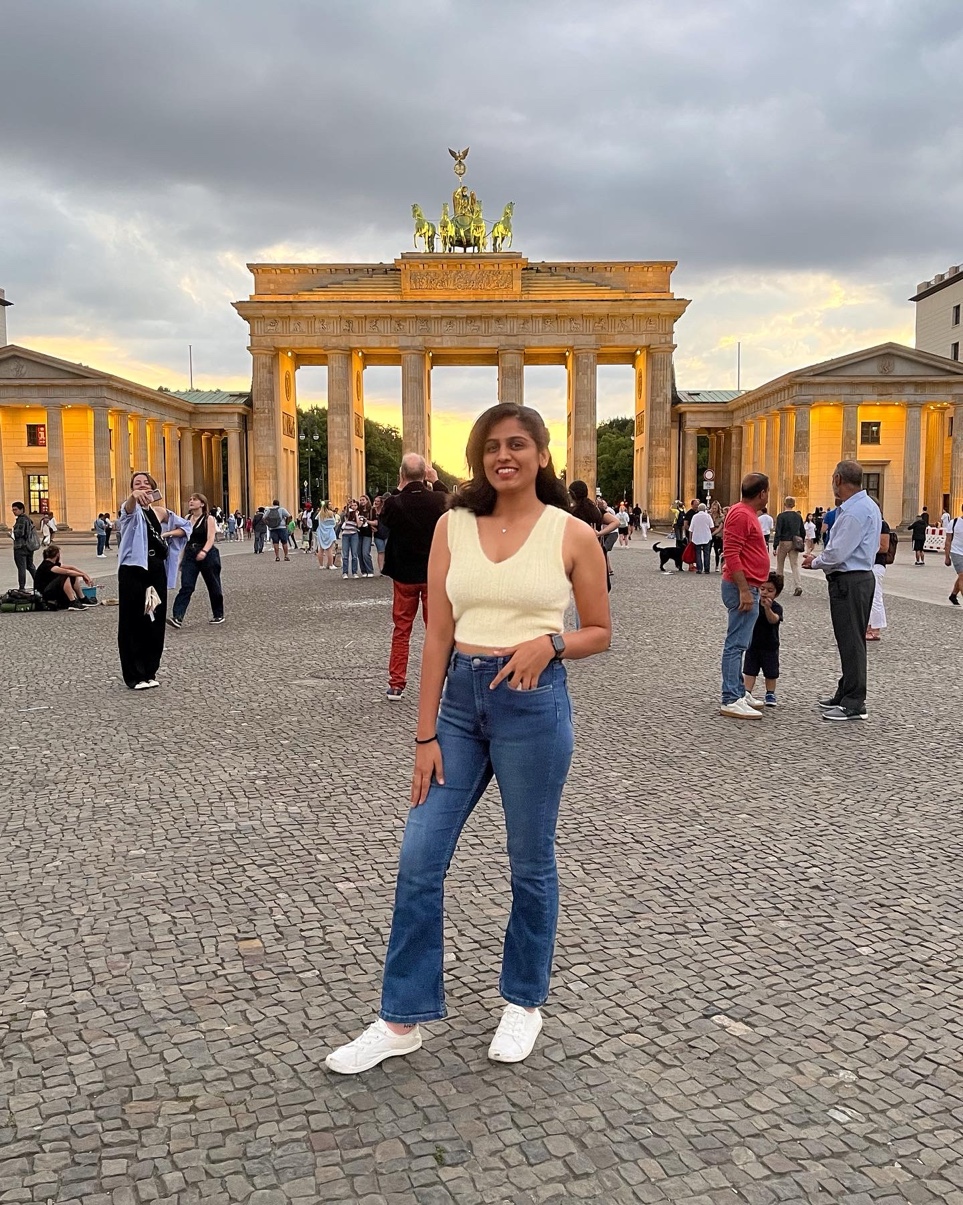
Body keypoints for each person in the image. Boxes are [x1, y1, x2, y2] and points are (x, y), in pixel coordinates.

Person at [325, 402, 611, 1076]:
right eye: (490, 445)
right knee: (418, 855)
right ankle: (401, 1017)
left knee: (529, 860)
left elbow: (599, 629)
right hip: (458, 704)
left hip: (531, 705)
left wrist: (551, 643)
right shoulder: (452, 524)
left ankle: (523, 999)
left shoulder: (572, 533)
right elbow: (438, 635)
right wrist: (423, 732)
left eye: (516, 444)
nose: (502, 455)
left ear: (541, 454)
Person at [802, 460, 882, 721]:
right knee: (849, 638)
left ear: (837, 479)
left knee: (852, 641)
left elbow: (838, 552)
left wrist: (814, 562)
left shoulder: (855, 511)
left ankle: (854, 702)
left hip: (851, 580)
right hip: (855, 579)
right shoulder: (863, 506)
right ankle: (845, 690)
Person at [380, 455, 447, 699]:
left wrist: (399, 486)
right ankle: (440, 682)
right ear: (425, 474)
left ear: (402, 475)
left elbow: (384, 521)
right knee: (436, 631)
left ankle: (396, 683)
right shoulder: (439, 500)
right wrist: (437, 481)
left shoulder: (394, 503)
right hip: (433, 575)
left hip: (404, 575)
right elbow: (455, 505)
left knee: (401, 630)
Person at [719, 473, 771, 720]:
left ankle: (739, 690)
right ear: (762, 493)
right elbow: (731, 552)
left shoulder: (744, 513)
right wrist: (743, 589)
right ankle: (731, 697)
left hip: (749, 585)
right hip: (743, 586)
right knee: (736, 644)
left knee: (741, 642)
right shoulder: (741, 514)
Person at [117, 471, 171, 690]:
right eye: (137, 484)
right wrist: (134, 497)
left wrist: (172, 534)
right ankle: (134, 675)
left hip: (156, 569)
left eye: (145, 483)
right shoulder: (131, 510)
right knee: (133, 622)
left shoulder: (156, 512)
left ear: (153, 487)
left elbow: (182, 525)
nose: (141, 486)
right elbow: (127, 508)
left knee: (155, 620)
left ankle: (150, 671)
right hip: (133, 570)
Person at [168, 492, 225, 629]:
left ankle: (218, 614)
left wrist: (204, 551)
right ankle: (177, 617)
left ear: (202, 504)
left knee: (213, 585)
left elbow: (211, 537)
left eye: (194, 500)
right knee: (187, 586)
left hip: (208, 554)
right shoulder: (187, 519)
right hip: (190, 554)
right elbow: (183, 540)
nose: (191, 502)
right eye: (190, 500)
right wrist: (180, 560)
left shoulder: (208, 518)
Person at [742, 571, 784, 708]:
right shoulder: (753, 603)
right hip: (752, 643)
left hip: (770, 645)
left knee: (771, 672)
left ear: (776, 594)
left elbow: (774, 620)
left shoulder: (776, 607)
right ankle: (747, 692)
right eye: (762, 589)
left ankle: (770, 693)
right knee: (749, 670)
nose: (765, 593)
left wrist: (767, 608)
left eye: (770, 590)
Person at [33, 545, 97, 611]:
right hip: (44, 594)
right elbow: (66, 572)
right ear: (57, 555)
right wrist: (82, 575)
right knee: (64, 576)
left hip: (49, 590)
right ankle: (73, 602)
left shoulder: (52, 563)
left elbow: (71, 568)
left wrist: (84, 574)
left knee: (72, 575)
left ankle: (82, 598)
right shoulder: (46, 565)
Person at [773, 496, 805, 596]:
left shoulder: (781, 516)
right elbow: (802, 531)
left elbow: (778, 531)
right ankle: (798, 585)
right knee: (794, 565)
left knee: (780, 565)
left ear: (784, 504)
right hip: (795, 541)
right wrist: (801, 540)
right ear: (794, 505)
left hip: (784, 541)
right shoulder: (798, 516)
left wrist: (775, 545)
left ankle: (778, 587)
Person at [866, 517, 892, 641]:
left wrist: (865, 548)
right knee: (867, 597)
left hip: (877, 564)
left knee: (876, 596)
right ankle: (868, 625)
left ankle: (875, 629)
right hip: (866, 564)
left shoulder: (882, 525)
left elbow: (884, 547)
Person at [10, 501, 38, 590]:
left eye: (15, 509)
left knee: (21, 568)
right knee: (30, 566)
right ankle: (39, 582)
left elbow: (19, 533)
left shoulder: (21, 520)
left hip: (20, 547)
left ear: (21, 509)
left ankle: (22, 587)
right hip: (29, 547)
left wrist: (11, 534)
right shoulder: (28, 519)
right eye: (13, 510)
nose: (14, 511)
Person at [687, 502, 715, 574]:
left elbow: (691, 529)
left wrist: (690, 538)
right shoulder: (708, 516)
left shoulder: (695, 516)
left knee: (698, 553)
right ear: (705, 509)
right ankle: (707, 569)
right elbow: (712, 527)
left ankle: (699, 569)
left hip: (697, 537)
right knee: (707, 553)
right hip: (706, 537)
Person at [945, 504, 963, 605]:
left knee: (961, 576)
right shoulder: (954, 522)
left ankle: (953, 595)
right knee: (962, 575)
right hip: (957, 552)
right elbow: (948, 541)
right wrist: (947, 557)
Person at [314, 503, 339, 570]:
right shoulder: (331, 513)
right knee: (330, 549)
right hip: (330, 532)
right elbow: (334, 523)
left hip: (321, 532)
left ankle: (321, 565)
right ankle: (331, 565)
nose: (331, 505)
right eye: (330, 504)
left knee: (321, 549)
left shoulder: (320, 513)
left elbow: (315, 519)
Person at [339, 504, 360, 579]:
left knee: (354, 554)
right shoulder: (346, 514)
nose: (353, 507)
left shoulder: (358, 514)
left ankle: (354, 572)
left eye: (355, 505)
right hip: (345, 535)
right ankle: (345, 572)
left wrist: (356, 515)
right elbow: (342, 520)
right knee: (345, 555)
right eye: (352, 506)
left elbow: (359, 525)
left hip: (354, 534)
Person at [357, 495, 375, 576]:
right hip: (358, 533)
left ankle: (370, 570)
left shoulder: (371, 510)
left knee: (365, 553)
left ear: (367, 500)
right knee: (359, 553)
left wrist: (366, 521)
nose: (362, 501)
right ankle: (363, 571)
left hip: (367, 533)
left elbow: (375, 521)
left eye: (363, 500)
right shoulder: (358, 510)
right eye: (360, 500)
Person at [372, 494, 388, 572]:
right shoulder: (372, 511)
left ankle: (388, 567)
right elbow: (368, 520)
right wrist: (371, 527)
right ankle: (381, 569)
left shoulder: (385, 510)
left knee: (388, 552)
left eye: (378, 501)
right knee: (380, 551)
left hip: (387, 533)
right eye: (375, 501)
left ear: (381, 502)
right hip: (377, 534)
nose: (376, 502)